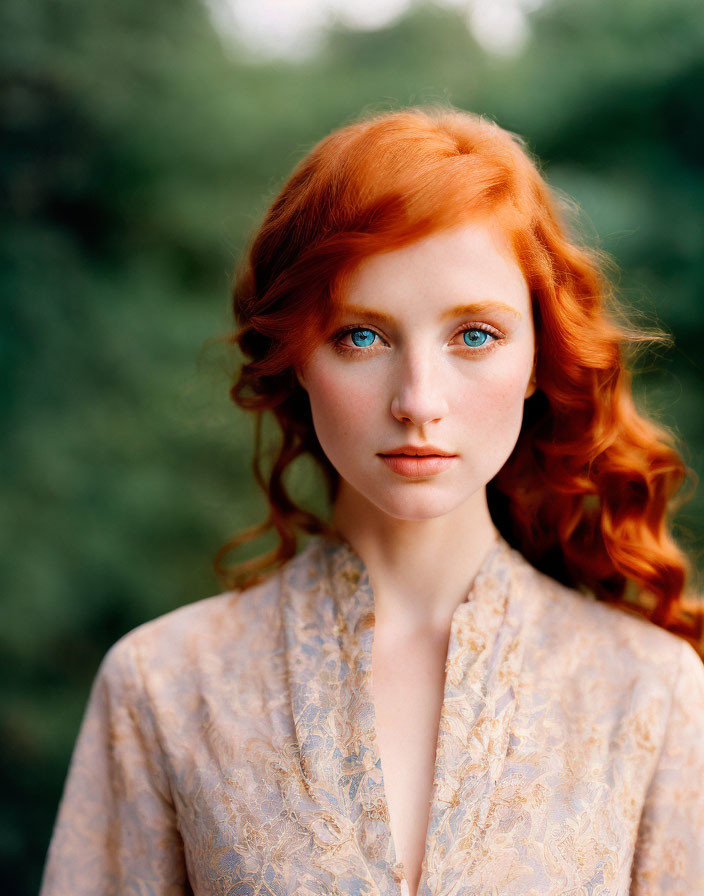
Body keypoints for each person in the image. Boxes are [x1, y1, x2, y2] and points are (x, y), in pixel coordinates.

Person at [39, 106, 704, 896]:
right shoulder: (164, 686)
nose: (418, 401)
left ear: (537, 359)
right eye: (362, 336)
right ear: (296, 360)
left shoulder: (650, 693)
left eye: (475, 335)